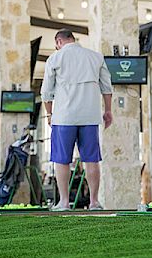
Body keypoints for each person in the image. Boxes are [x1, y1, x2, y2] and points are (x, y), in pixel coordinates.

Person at [41, 29, 113, 211]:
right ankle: (94, 202)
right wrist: (108, 111)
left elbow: (46, 92)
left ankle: (64, 202)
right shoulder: (95, 57)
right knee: (91, 159)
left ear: (59, 42)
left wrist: (49, 114)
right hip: (90, 115)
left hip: (64, 117)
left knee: (61, 160)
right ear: (73, 39)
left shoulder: (55, 59)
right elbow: (107, 87)